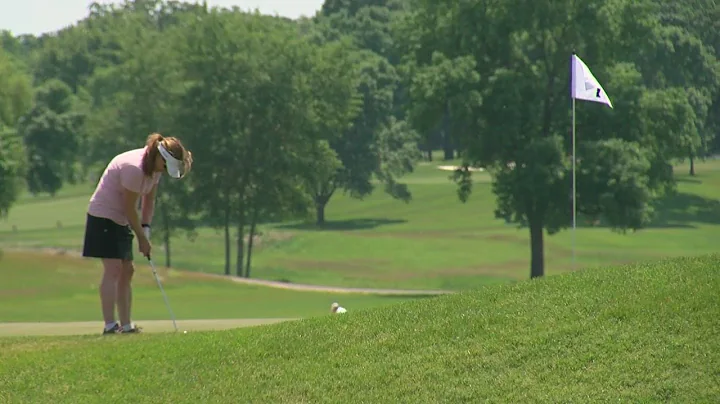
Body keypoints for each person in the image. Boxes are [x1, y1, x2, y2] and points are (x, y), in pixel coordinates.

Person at [82, 133, 193, 335]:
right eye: (166, 166)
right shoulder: (134, 168)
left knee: (128, 270)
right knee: (114, 268)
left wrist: (146, 228)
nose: (165, 171)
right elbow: (130, 207)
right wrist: (141, 238)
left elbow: (149, 201)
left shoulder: (155, 170)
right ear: (160, 157)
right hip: (103, 216)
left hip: (121, 218)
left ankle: (126, 326)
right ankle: (110, 325)